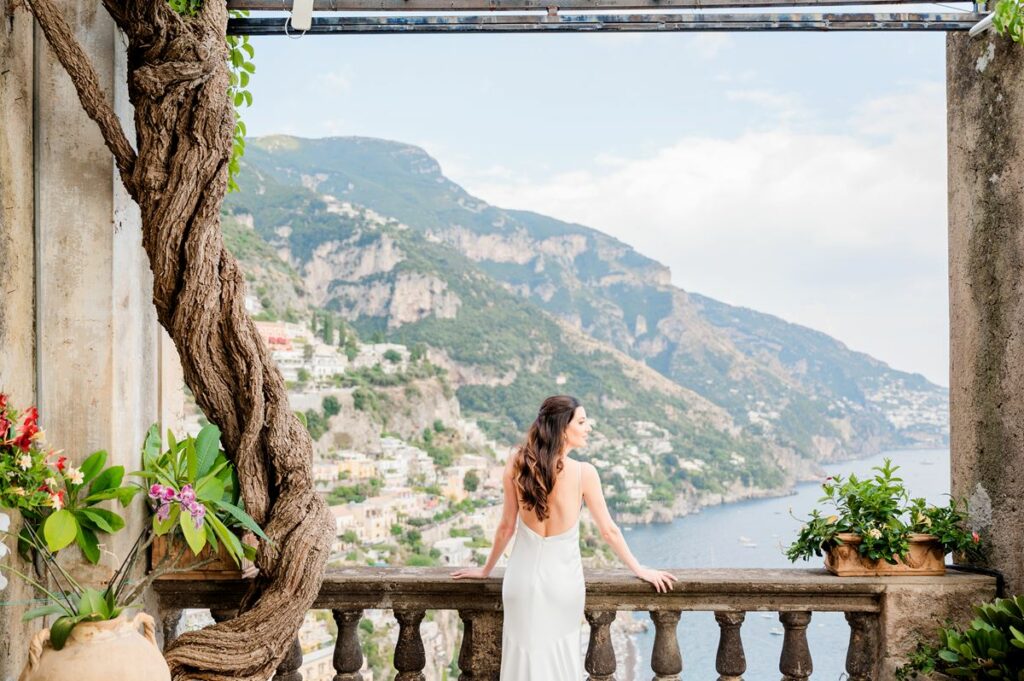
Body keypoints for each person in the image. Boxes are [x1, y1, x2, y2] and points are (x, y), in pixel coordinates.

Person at [451, 394, 676, 679]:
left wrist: (485, 570)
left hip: (520, 582)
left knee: (522, 660)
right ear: (562, 427)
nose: (589, 427)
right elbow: (609, 531)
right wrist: (640, 569)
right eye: (582, 421)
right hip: (563, 585)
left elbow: (506, 526)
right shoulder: (584, 473)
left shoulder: (517, 462)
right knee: (560, 661)